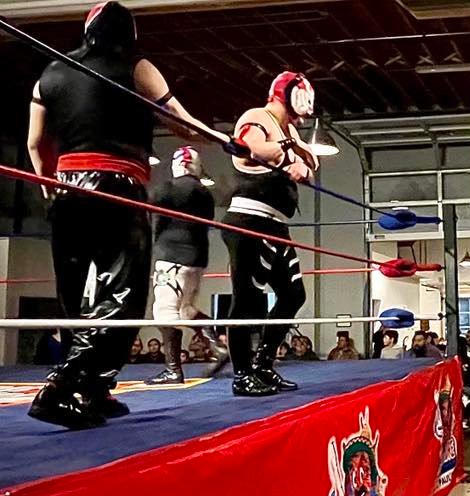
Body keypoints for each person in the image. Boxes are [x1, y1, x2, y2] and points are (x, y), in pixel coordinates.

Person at [27, 1, 222, 427]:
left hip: (66, 190)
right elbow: (180, 121)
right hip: (116, 187)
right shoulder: (137, 66)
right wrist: (222, 140)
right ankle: (61, 387)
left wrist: (47, 184)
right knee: (123, 297)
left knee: (74, 299)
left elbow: (35, 142)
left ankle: (93, 388)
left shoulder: (50, 73)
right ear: (129, 34)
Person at [222, 71, 319, 396]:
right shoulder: (258, 117)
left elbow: (310, 160)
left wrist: (300, 161)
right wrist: (288, 153)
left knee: (293, 295)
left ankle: (263, 365)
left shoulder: (287, 128)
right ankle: (242, 374)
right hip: (249, 220)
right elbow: (253, 147)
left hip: (275, 224)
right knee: (247, 300)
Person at [144, 146, 227, 385]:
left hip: (171, 257)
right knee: (185, 310)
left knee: (164, 311)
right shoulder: (205, 194)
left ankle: (173, 370)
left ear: (178, 164)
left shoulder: (167, 189)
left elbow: (154, 222)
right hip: (197, 259)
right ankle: (217, 346)